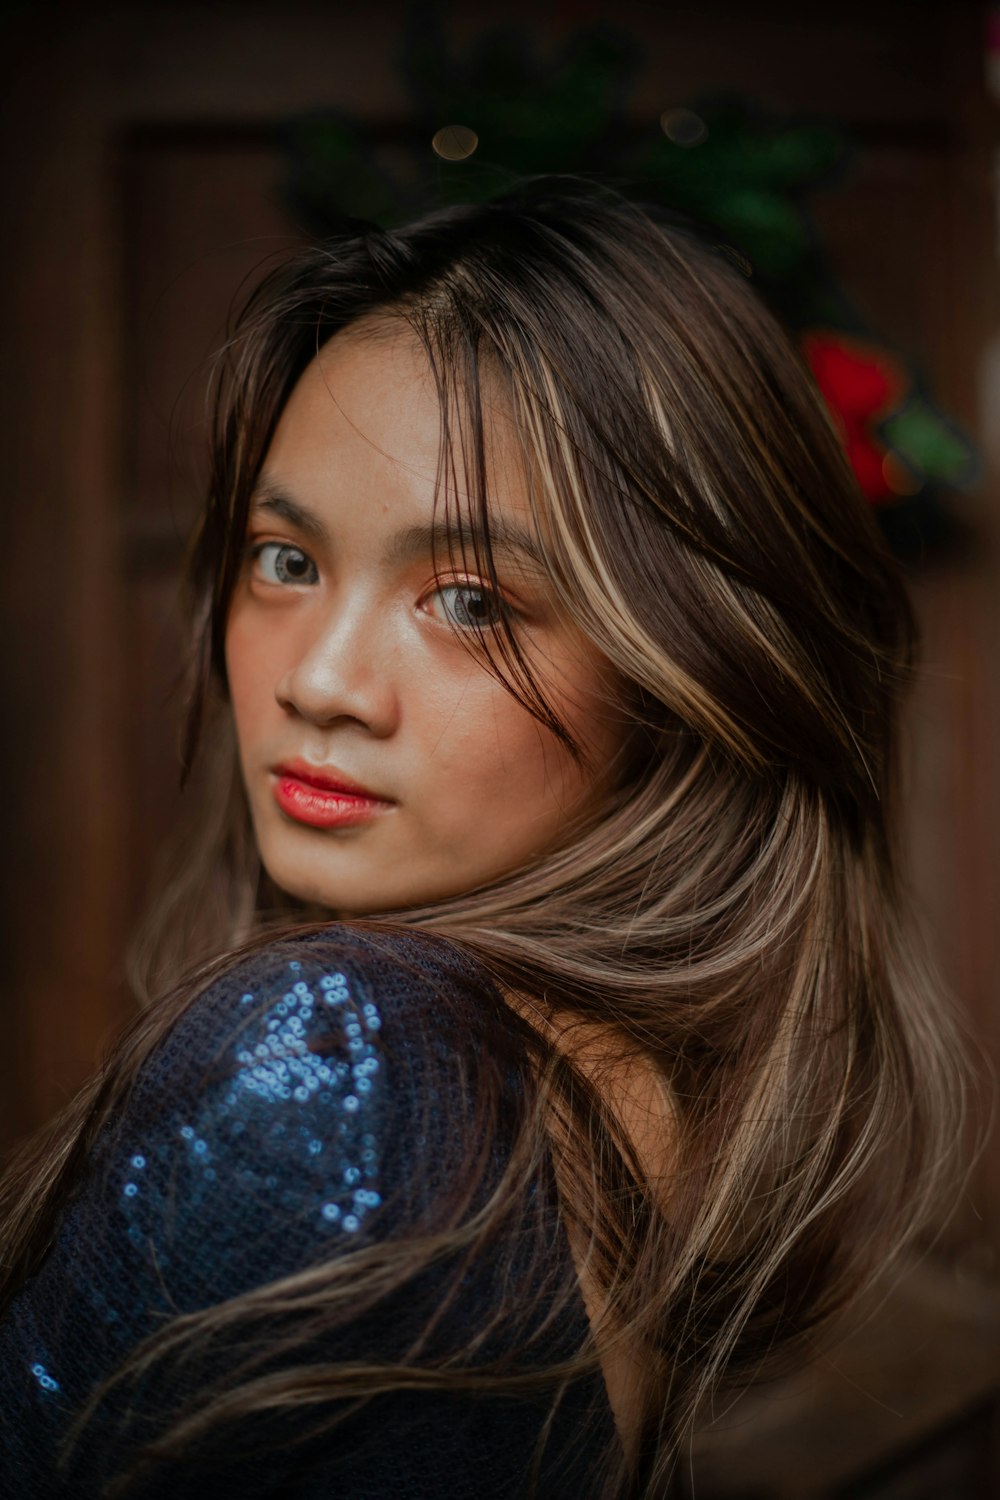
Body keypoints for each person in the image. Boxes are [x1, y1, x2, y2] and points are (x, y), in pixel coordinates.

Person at [0, 178, 970, 1498]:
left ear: (680, 664)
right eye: (286, 560)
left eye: (467, 598)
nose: (323, 681)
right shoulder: (618, 1093)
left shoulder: (347, 1065)